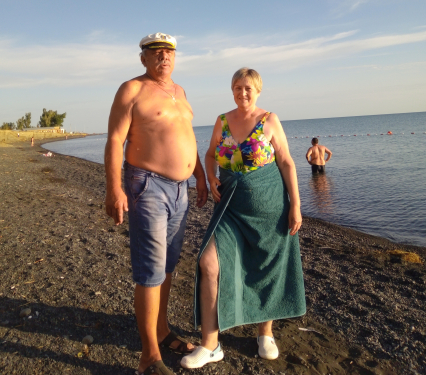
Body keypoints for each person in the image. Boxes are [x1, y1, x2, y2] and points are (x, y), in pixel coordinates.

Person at [181, 68, 306, 369]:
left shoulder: (270, 120)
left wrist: (296, 205)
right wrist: (211, 177)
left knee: (265, 267)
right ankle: (210, 344)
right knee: (208, 262)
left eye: (248, 88)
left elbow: (286, 162)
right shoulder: (222, 121)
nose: (243, 93)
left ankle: (265, 333)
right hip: (231, 209)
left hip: (270, 210)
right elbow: (210, 154)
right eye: (237, 87)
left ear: (258, 90)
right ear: (232, 91)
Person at [104, 32, 208, 375]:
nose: (164, 57)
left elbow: (187, 138)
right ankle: (149, 356)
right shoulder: (132, 89)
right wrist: (114, 189)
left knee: (168, 267)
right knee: (150, 270)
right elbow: (115, 140)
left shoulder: (180, 92)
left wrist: (200, 176)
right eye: (156, 52)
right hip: (147, 186)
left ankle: (161, 331)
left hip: (181, 190)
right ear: (143, 58)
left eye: (169, 52)